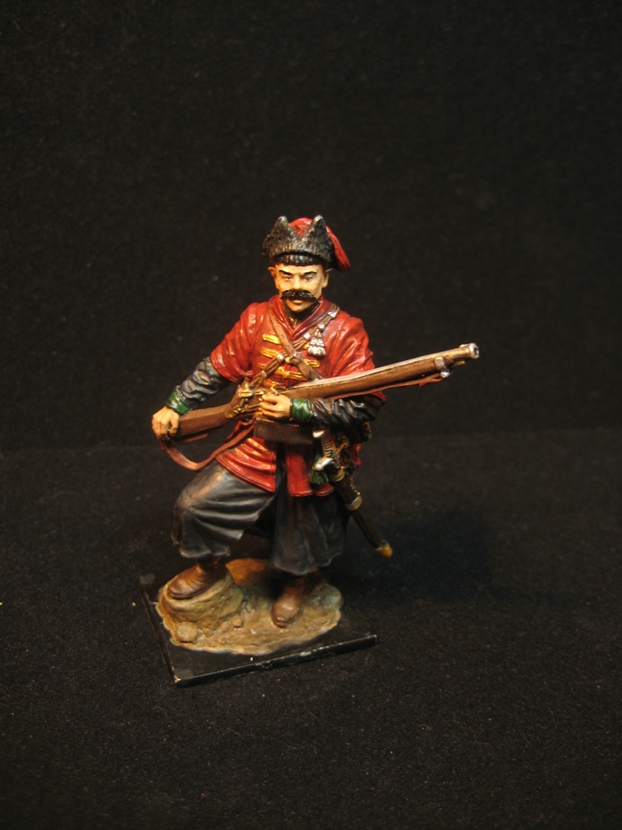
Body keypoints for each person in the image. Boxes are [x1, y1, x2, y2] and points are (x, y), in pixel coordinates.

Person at [152, 215, 383, 627]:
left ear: (325, 278)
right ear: (274, 275)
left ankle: (297, 582)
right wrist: (177, 404)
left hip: (313, 454)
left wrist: (298, 410)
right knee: (196, 506)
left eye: (308, 276)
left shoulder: (345, 332)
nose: (297, 285)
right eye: (288, 275)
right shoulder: (257, 318)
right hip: (256, 443)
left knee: (303, 530)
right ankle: (209, 567)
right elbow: (217, 368)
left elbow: (364, 405)